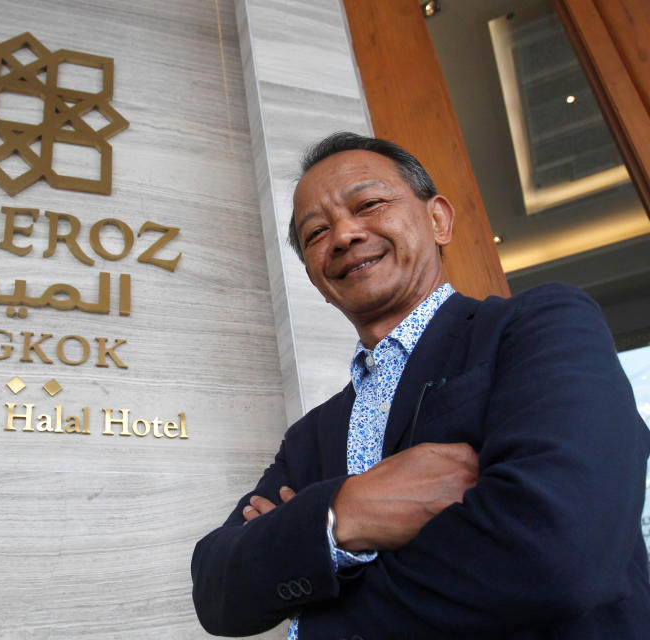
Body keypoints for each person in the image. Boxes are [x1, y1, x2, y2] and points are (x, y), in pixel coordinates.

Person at [190, 132, 650, 639]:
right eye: (316, 233)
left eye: (368, 204)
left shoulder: (537, 326)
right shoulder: (309, 437)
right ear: (316, 279)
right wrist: (342, 513)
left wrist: (305, 568)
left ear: (438, 220)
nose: (343, 235)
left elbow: (559, 553)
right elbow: (218, 589)